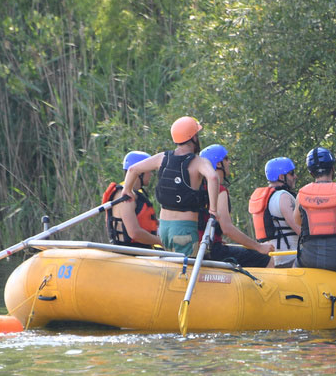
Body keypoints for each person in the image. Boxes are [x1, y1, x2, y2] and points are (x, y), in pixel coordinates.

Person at [123, 115, 220, 256]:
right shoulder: (199, 162)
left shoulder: (162, 157)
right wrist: (213, 210)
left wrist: (127, 190)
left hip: (164, 229)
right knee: (186, 268)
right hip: (184, 229)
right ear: (193, 137)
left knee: (171, 266)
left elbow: (133, 169)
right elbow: (213, 177)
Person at [199, 145, 274, 268]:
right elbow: (227, 229)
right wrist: (259, 247)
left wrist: (216, 238)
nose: (229, 162)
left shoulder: (199, 188)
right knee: (265, 259)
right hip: (211, 250)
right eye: (226, 159)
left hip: (198, 247)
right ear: (218, 164)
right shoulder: (220, 190)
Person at [249, 157, 300, 268]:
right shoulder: (284, 196)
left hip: (272, 260)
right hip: (292, 259)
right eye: (292, 173)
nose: (295, 176)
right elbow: (300, 230)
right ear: (281, 177)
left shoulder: (263, 198)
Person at [104, 150, 161, 248]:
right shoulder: (125, 197)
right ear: (140, 173)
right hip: (131, 250)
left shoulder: (134, 194)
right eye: (149, 171)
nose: (151, 175)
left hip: (140, 249)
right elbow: (134, 234)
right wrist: (161, 241)